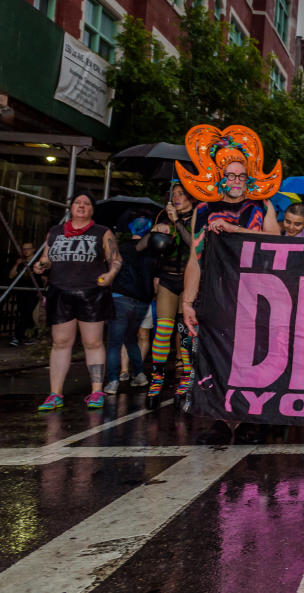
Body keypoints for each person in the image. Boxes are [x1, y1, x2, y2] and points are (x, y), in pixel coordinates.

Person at [177, 124, 282, 439]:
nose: (236, 180)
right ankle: (222, 419)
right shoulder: (204, 209)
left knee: (253, 354)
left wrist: (237, 231)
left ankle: (252, 417)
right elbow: (196, 257)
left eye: (241, 175)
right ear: (219, 175)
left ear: (248, 177)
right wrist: (187, 302)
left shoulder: (262, 206)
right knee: (219, 354)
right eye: (230, 174)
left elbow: (277, 240)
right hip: (217, 291)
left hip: (257, 291)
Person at [34, 191, 122, 411]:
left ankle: (96, 391)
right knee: (60, 343)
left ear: (92, 209)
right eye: (77, 203)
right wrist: (41, 266)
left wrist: (110, 275)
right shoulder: (54, 232)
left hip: (91, 293)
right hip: (60, 292)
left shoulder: (102, 232)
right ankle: (55, 394)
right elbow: (47, 259)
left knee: (93, 343)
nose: (81, 206)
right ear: (70, 208)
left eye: (86, 203)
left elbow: (116, 260)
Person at [140, 182, 195, 406]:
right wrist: (154, 231)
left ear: (191, 197)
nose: (177, 197)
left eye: (182, 193)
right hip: (167, 279)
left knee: (184, 331)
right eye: (174, 194)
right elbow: (140, 248)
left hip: (189, 280)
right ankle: (157, 379)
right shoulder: (163, 218)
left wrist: (178, 222)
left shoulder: (196, 218)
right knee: (162, 329)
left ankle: (185, 379)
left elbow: (194, 245)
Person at [104, 217, 154, 395]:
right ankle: (139, 374)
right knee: (131, 339)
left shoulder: (121, 249)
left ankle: (112, 381)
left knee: (115, 342)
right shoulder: (152, 252)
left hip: (120, 297)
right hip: (141, 301)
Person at [8, 241, 40, 346]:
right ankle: (32, 336)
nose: (26, 251)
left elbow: (44, 277)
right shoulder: (21, 263)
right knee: (24, 314)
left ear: (33, 249)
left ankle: (17, 336)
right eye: (24, 249)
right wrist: (17, 264)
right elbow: (11, 276)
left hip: (33, 292)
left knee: (28, 313)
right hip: (21, 292)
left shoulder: (38, 262)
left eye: (28, 248)